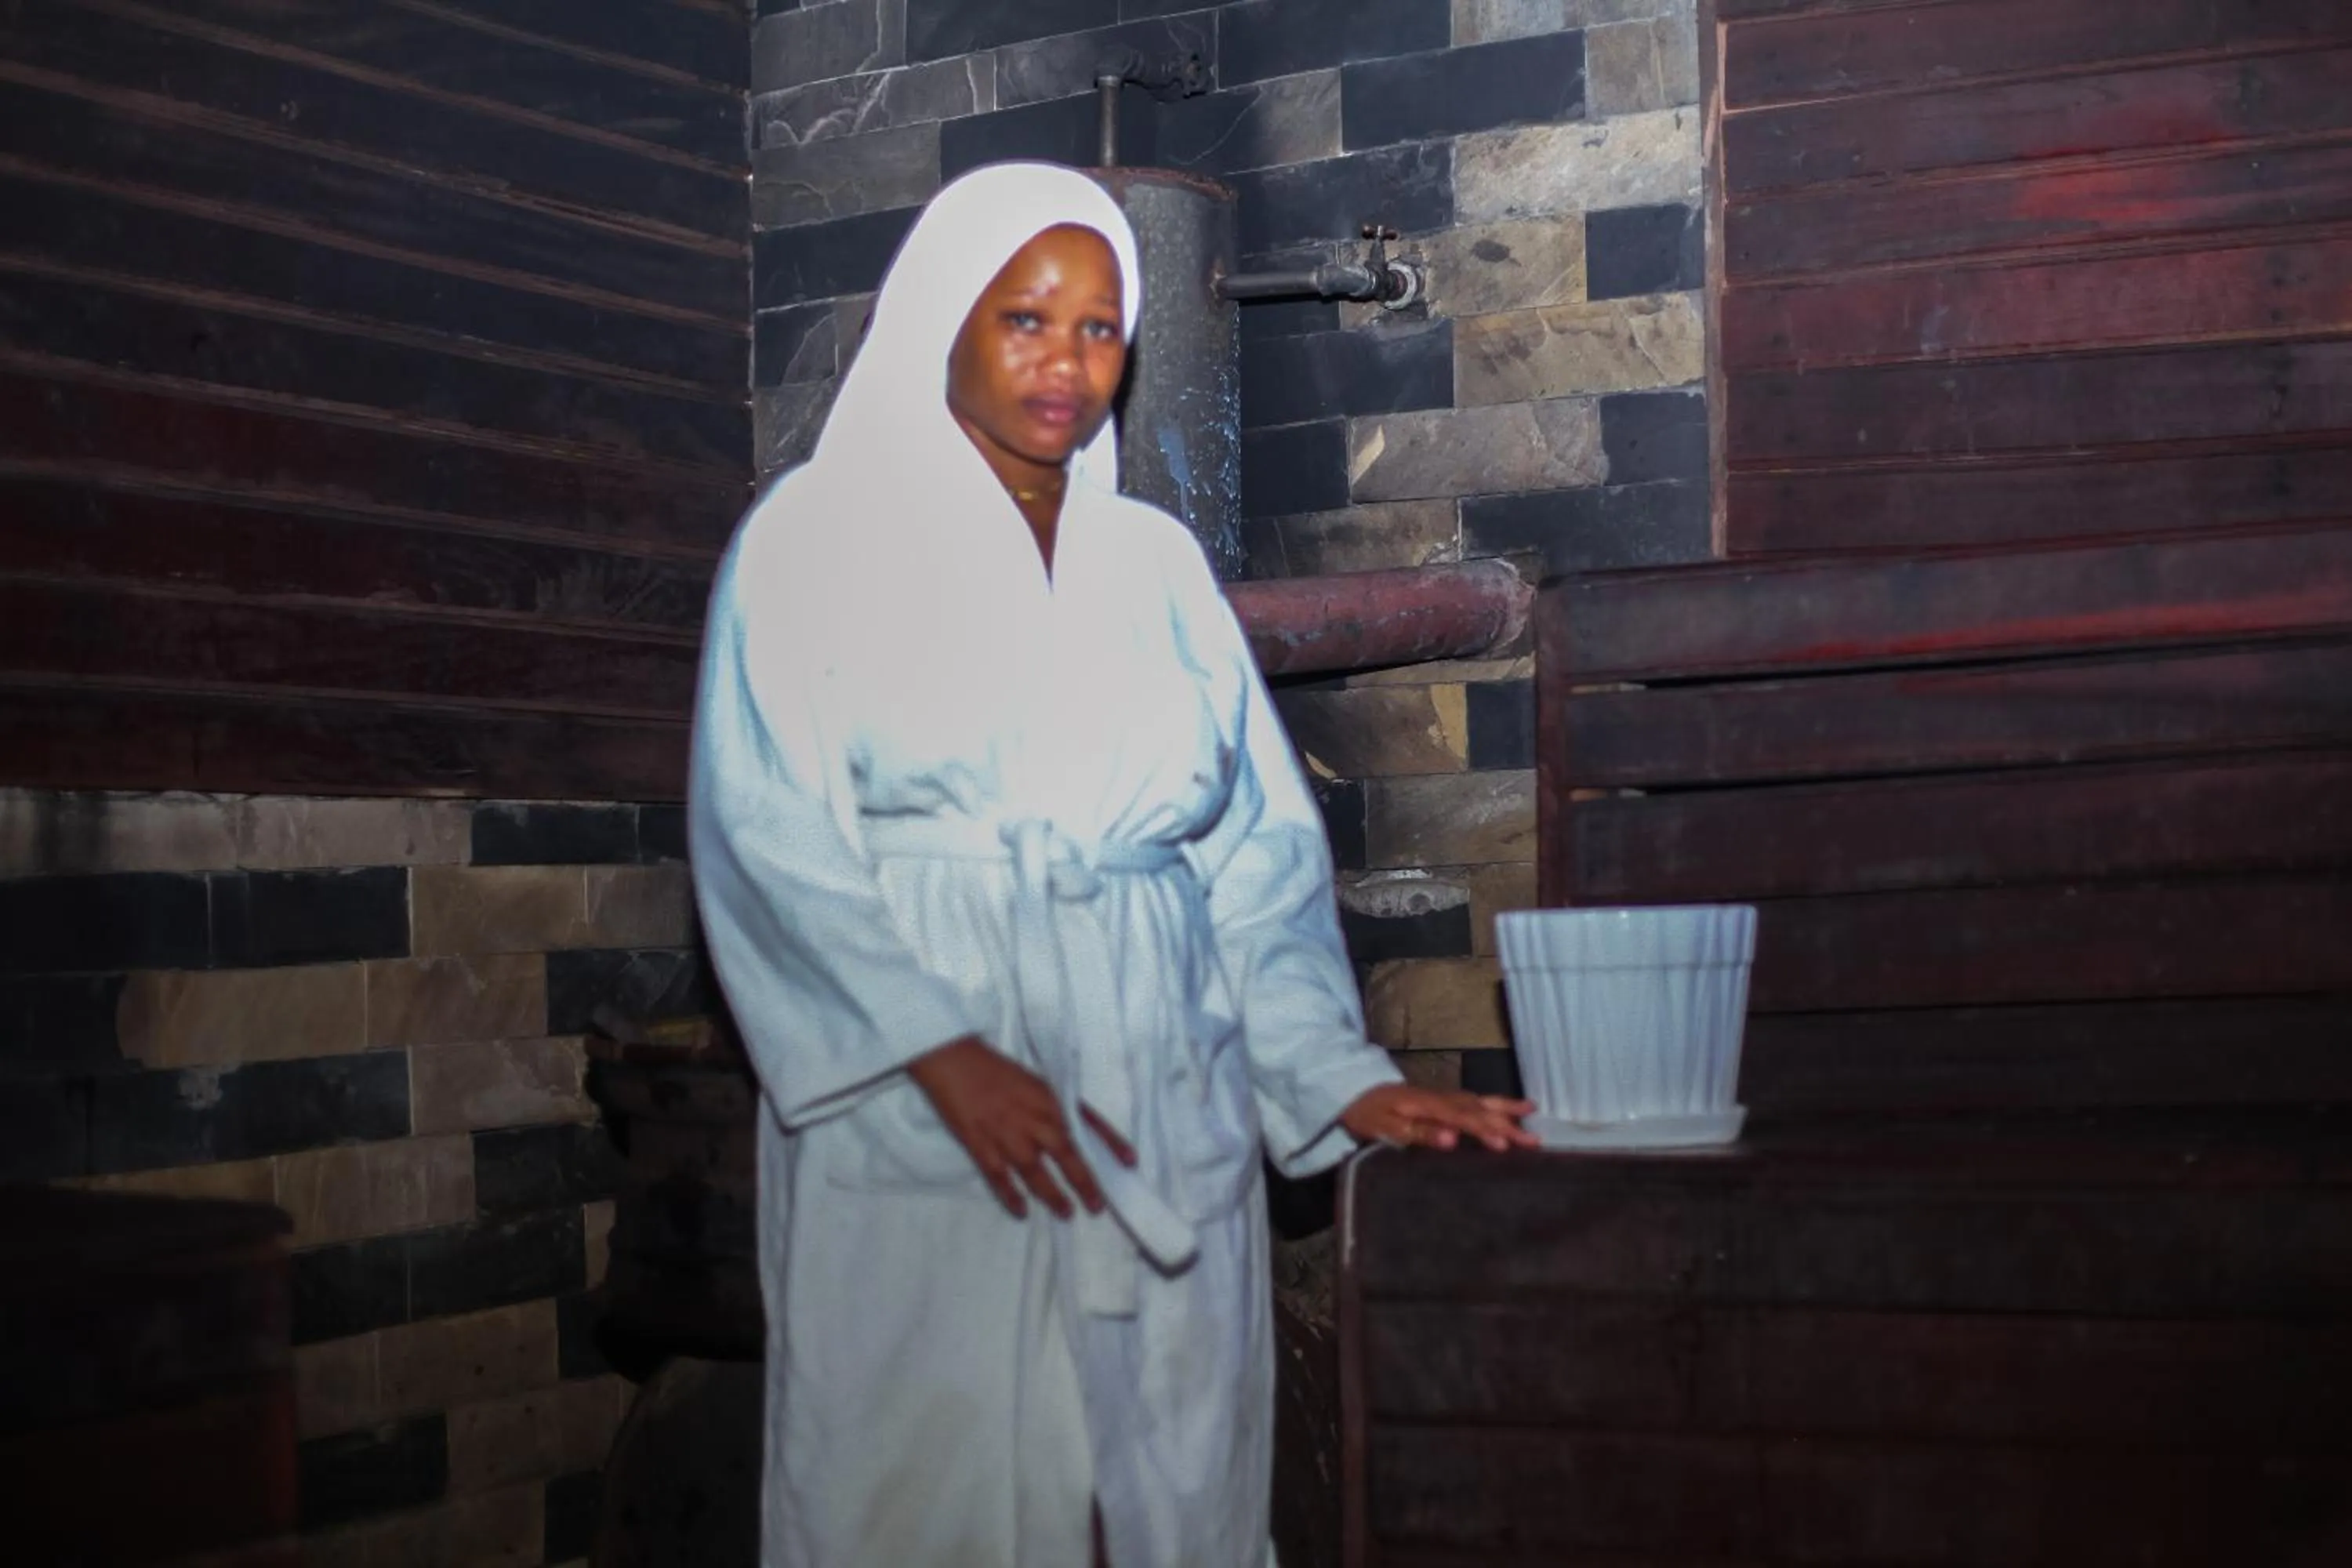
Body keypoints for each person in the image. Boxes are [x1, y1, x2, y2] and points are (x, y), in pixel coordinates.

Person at [688, 162, 1534, 1568]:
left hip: (1158, 1074)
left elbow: (1255, 857)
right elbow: (761, 831)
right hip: (919, 1095)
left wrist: (1338, 1076)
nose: (1066, 362)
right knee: (917, 1485)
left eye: (1098, 328)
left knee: (1167, 1492)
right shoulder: (810, 539)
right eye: (1025, 318)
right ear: (941, 318)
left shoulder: (1154, 566)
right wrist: (933, 1051)